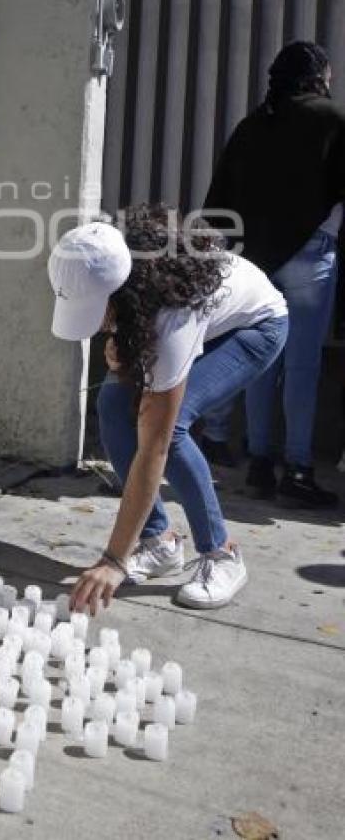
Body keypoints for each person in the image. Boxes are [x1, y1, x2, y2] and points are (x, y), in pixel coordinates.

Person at [48, 208, 288, 616]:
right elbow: (130, 336)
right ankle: (159, 542)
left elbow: (153, 448)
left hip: (253, 328)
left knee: (169, 428)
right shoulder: (122, 273)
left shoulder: (172, 317)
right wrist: (123, 343)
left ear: (122, 293)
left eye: (100, 313)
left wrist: (113, 560)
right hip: (201, 320)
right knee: (112, 403)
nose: (101, 326)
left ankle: (221, 553)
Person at [204, 41, 343, 508]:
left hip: (254, 261)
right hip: (310, 258)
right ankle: (298, 470)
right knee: (302, 367)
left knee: (262, 360)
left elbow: (220, 200)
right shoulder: (331, 119)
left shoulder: (251, 126)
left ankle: (260, 461)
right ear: (318, 76)